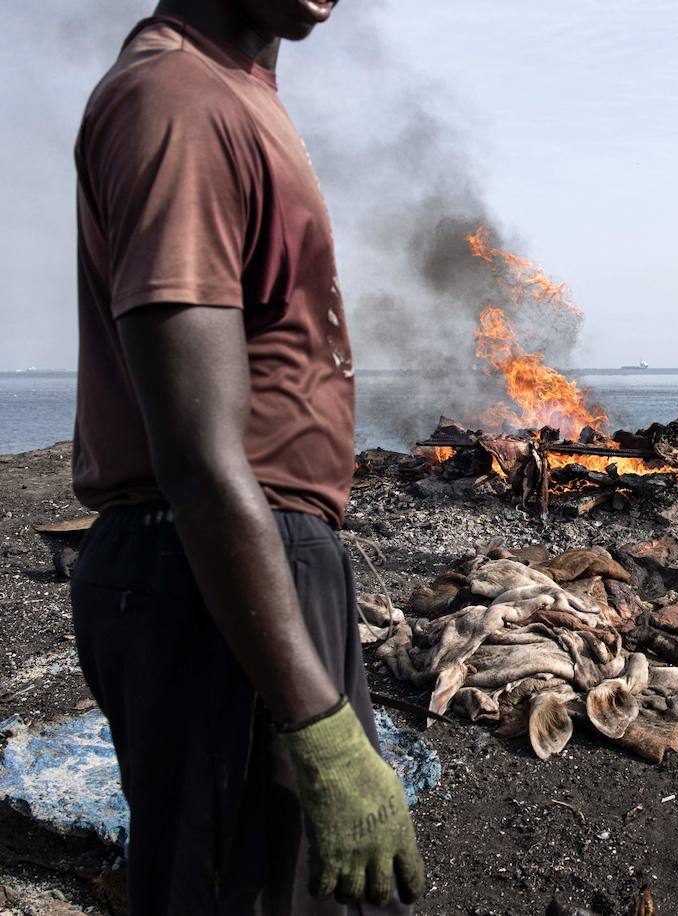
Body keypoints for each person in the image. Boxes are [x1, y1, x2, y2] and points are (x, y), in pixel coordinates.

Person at [70, 0, 425, 911]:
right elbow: (195, 456)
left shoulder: (231, 90)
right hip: (219, 569)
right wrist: (322, 727)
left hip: (240, 562)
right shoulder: (180, 100)